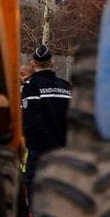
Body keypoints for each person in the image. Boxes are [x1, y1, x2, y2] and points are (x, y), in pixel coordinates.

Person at [21, 44, 72, 191]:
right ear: (52, 63)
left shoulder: (31, 87)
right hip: (64, 152)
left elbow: (31, 122)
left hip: (40, 153)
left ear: (32, 64)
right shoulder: (66, 87)